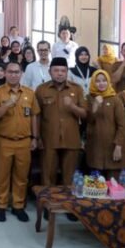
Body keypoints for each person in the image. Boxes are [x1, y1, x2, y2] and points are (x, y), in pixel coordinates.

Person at [0, 61, 39, 222]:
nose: (13, 75)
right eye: (10, 72)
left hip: (24, 141)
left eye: (16, 72)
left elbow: (34, 115)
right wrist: (8, 104)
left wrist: (35, 137)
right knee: (2, 176)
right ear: (5, 73)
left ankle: (18, 206)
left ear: (21, 74)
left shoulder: (29, 93)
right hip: (4, 141)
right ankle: (1, 206)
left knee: (21, 177)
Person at [35, 57, 87, 187]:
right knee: (47, 178)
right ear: (50, 72)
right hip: (48, 140)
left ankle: (68, 200)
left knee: (70, 179)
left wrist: (72, 107)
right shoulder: (41, 90)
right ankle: (48, 200)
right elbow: (36, 115)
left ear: (67, 72)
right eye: (56, 70)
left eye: (63, 71)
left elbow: (85, 114)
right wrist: (37, 137)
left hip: (71, 140)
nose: (60, 73)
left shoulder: (77, 89)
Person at [84, 70, 125, 178]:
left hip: (112, 148)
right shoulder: (89, 98)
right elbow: (87, 121)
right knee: (95, 184)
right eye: (98, 81)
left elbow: (122, 125)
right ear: (93, 82)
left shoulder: (115, 100)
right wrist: (95, 106)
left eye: (104, 80)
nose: (101, 83)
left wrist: (118, 145)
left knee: (113, 184)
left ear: (108, 82)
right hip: (95, 149)